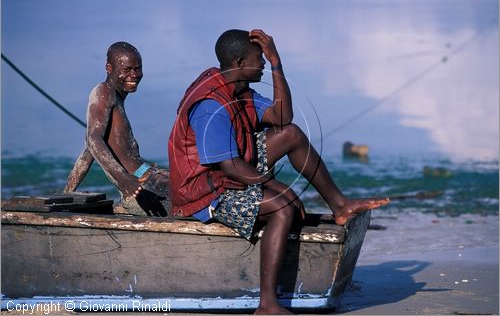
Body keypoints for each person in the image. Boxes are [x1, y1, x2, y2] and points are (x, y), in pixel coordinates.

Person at [168, 29, 390, 314]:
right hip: (202, 192)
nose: (261, 63)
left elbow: (282, 117)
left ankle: (340, 204)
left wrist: (276, 63)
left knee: (291, 134)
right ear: (238, 62)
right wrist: (279, 190)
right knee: (283, 208)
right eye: (258, 59)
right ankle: (267, 304)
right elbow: (231, 167)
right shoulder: (212, 106)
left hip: (232, 170)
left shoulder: (238, 88)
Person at [64, 42, 169, 217]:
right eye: (127, 69)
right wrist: (122, 179)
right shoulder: (104, 92)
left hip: (145, 176)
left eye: (137, 69)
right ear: (109, 67)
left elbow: (89, 152)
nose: (134, 75)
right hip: (137, 188)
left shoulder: (116, 97)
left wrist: (66, 193)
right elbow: (93, 138)